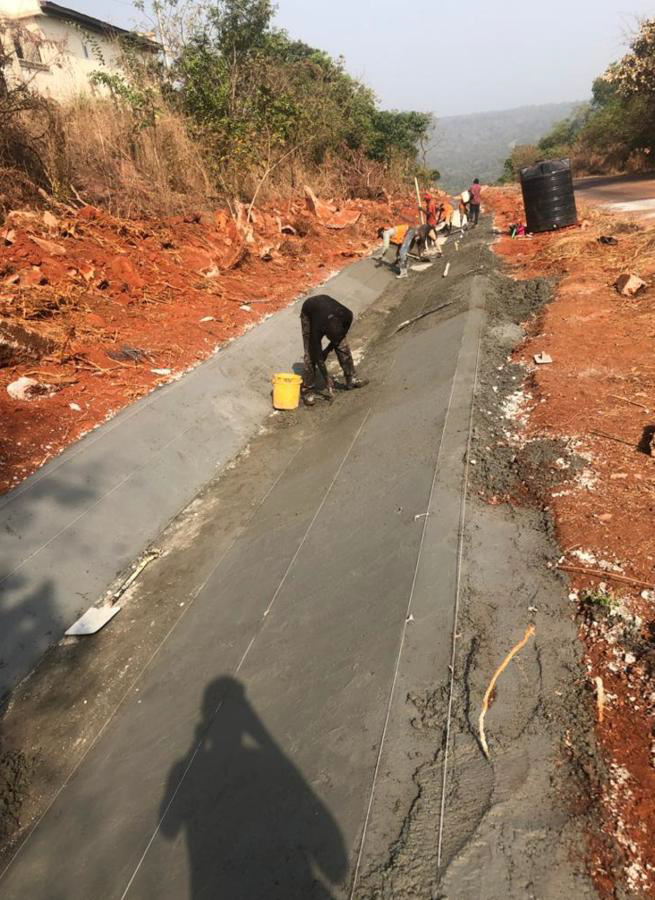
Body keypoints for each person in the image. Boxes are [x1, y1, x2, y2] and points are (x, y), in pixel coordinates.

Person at [300, 294, 367, 406]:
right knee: (310, 354)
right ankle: (307, 390)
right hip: (309, 309)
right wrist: (327, 378)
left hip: (329, 307)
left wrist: (327, 350)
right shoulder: (316, 329)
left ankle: (351, 378)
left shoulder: (347, 315)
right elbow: (317, 354)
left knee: (342, 346)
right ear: (325, 333)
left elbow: (339, 338)